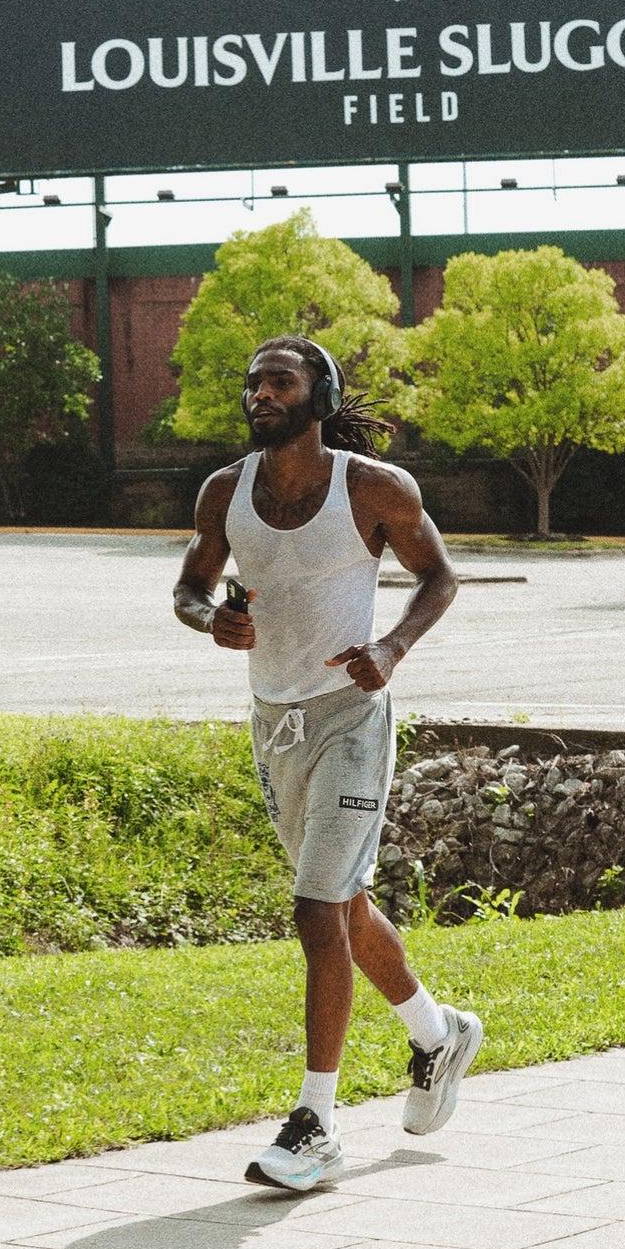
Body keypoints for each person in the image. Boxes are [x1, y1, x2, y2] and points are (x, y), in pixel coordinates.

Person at [173, 335, 483, 1193]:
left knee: (315, 907)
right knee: (343, 907)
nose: (260, 392)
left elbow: (440, 578)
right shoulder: (224, 491)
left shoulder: (374, 488)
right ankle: (437, 1031)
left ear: (319, 394)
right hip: (274, 725)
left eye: (279, 380)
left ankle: (315, 1125)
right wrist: (211, 620)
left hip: (352, 717)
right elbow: (192, 585)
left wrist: (392, 646)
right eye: (253, 382)